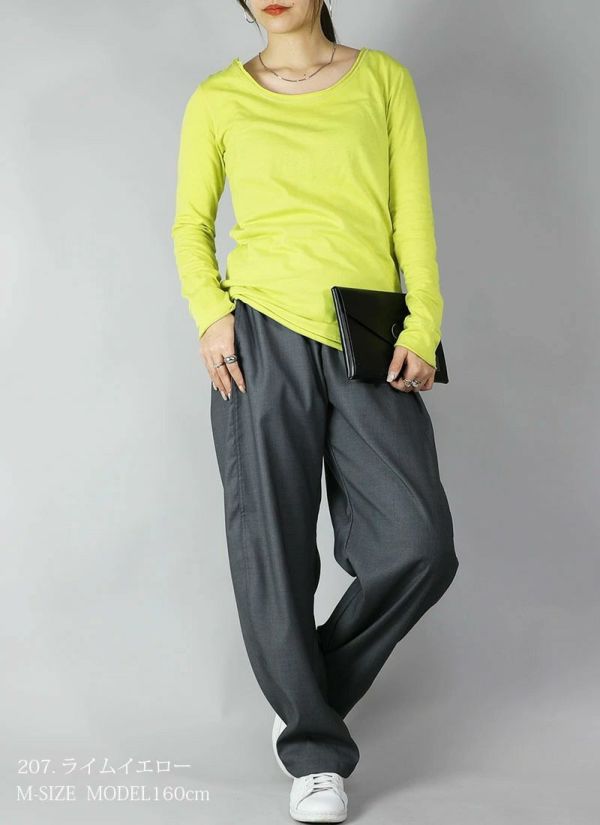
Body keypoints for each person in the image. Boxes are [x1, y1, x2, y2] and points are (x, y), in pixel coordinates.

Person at [170, 1, 459, 821]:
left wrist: (424, 325)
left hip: (367, 331)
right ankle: (315, 753)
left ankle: (308, 696)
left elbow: (412, 215)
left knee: (419, 544)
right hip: (259, 334)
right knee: (272, 546)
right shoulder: (218, 98)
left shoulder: (383, 81)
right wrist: (211, 313)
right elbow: (191, 223)